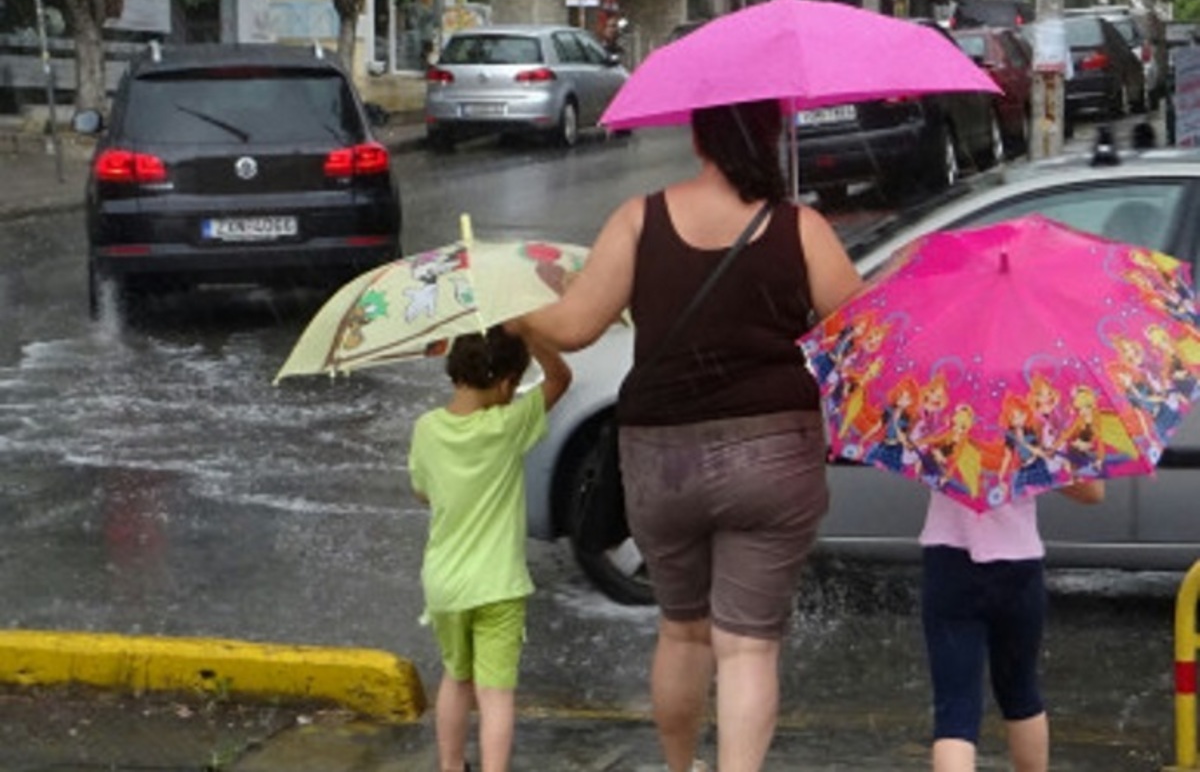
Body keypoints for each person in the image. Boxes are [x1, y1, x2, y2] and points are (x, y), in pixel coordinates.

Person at [515, 97, 863, 772]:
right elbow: (856, 335)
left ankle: (681, 769)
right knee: (747, 646)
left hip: (660, 459)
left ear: (700, 137)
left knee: (682, 632)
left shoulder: (639, 220)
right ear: (771, 135)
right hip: (774, 456)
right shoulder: (803, 228)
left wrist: (522, 307)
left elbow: (573, 328)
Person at [408, 325, 571, 772]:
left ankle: (450, 765)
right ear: (504, 384)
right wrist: (533, 332)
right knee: (495, 693)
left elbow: (422, 492)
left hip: (444, 584)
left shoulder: (426, 430)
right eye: (514, 385)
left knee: (456, 679)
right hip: (498, 585)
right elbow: (560, 379)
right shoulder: (506, 425)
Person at [919, 479, 1105, 772]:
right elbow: (1093, 493)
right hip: (1019, 563)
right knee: (1020, 692)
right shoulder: (1037, 433)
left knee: (955, 709)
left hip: (948, 561)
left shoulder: (935, 431)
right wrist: (1034, 470)